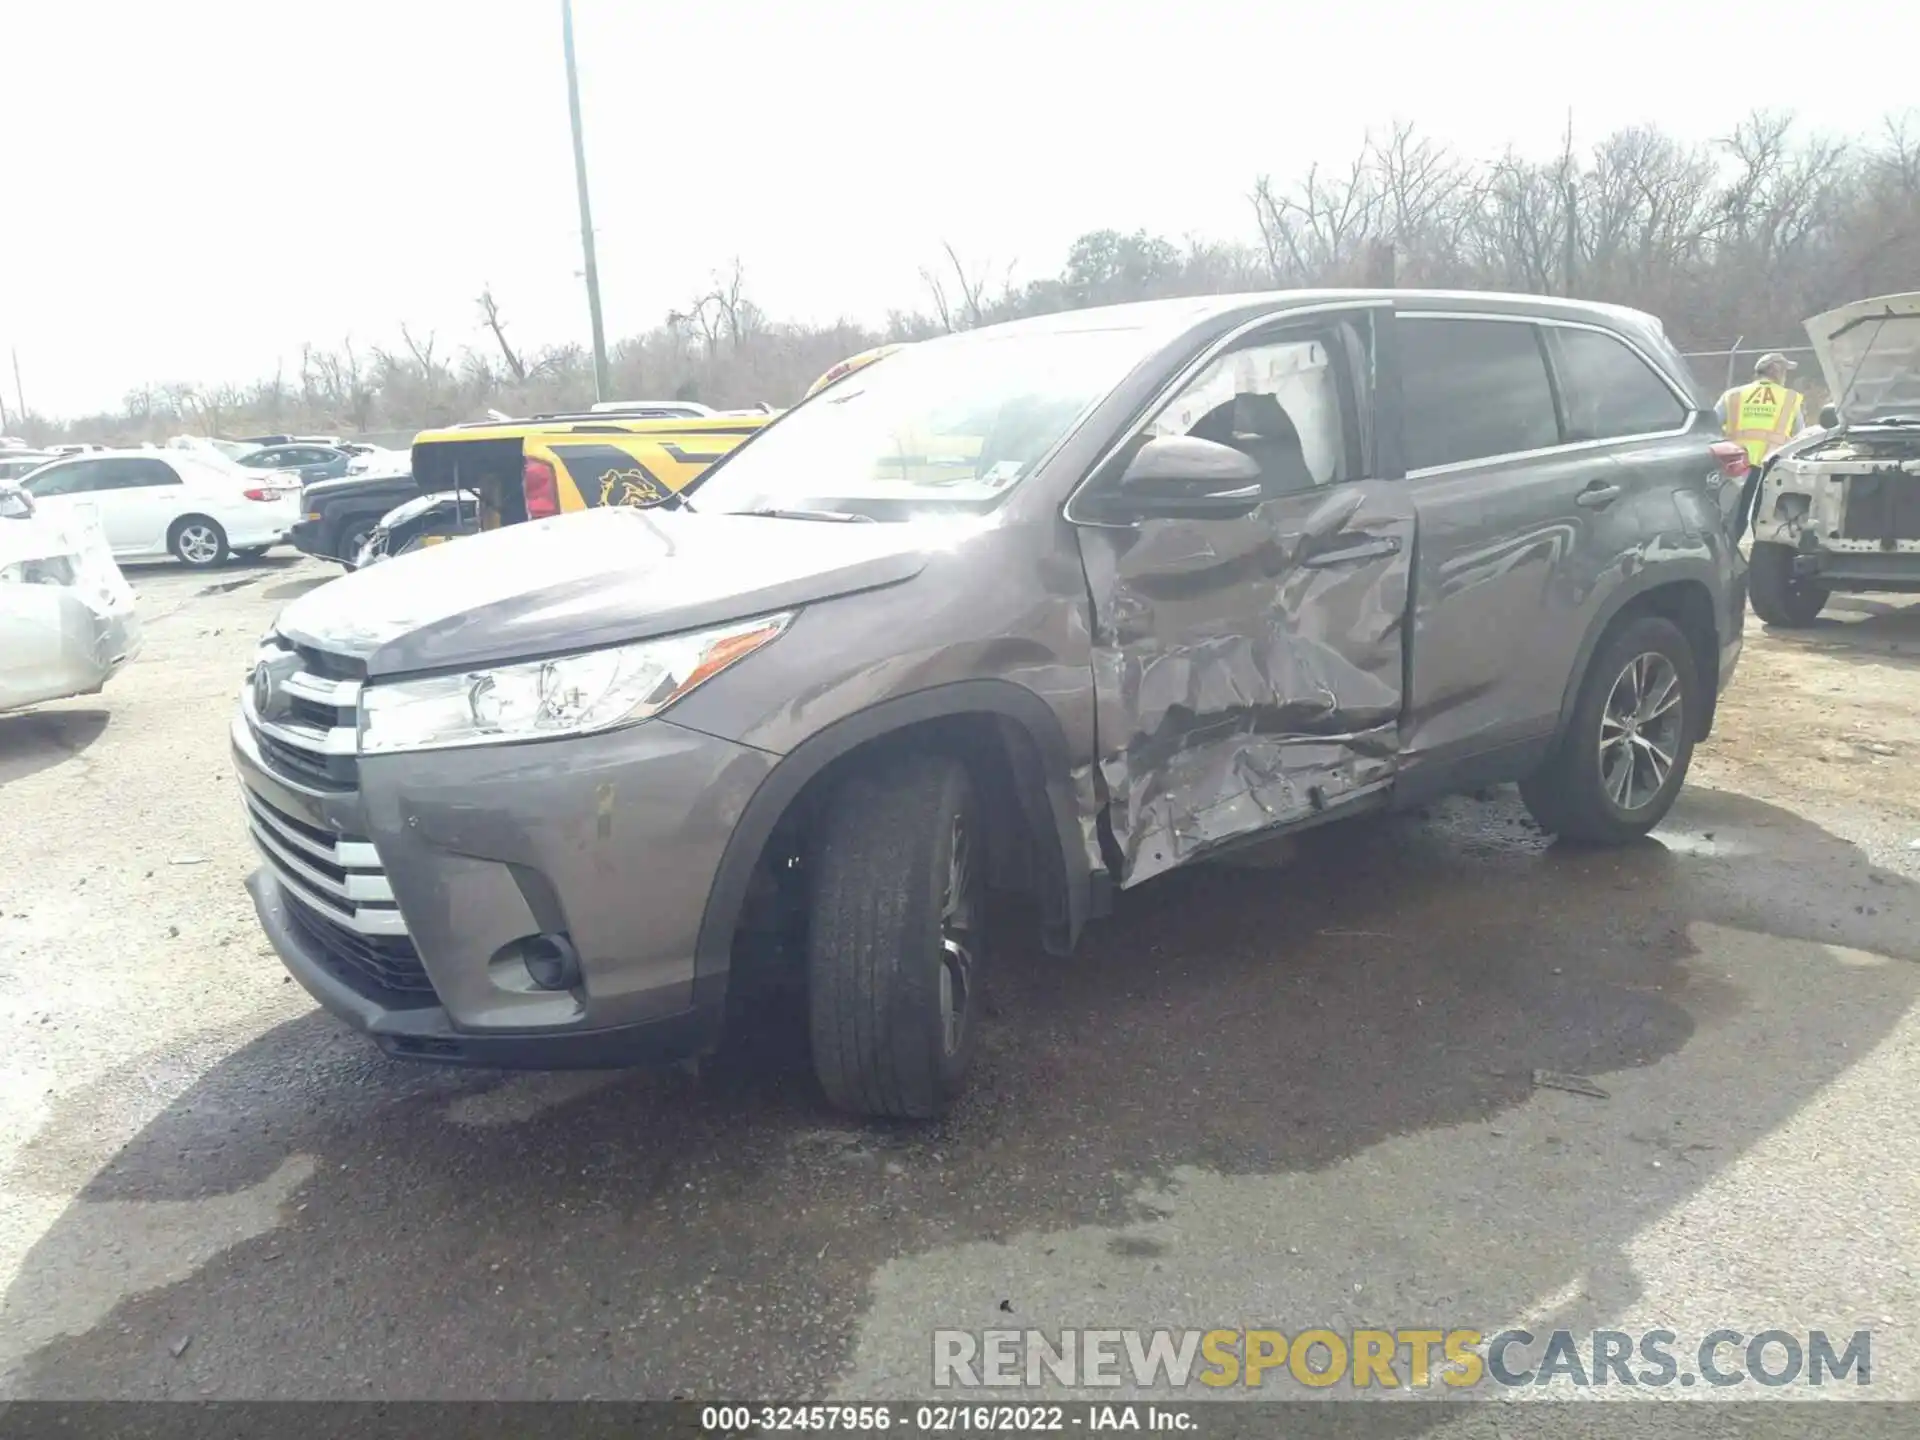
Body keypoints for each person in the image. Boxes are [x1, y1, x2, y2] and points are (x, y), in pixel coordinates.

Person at [1720, 353, 1807, 543]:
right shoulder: (1789, 399)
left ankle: (1726, 559)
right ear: (1775, 371)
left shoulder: (1732, 395)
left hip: (1732, 467)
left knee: (1731, 520)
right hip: (1769, 469)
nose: (1785, 376)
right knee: (1761, 523)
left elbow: (1712, 427)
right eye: (1784, 371)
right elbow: (1800, 435)